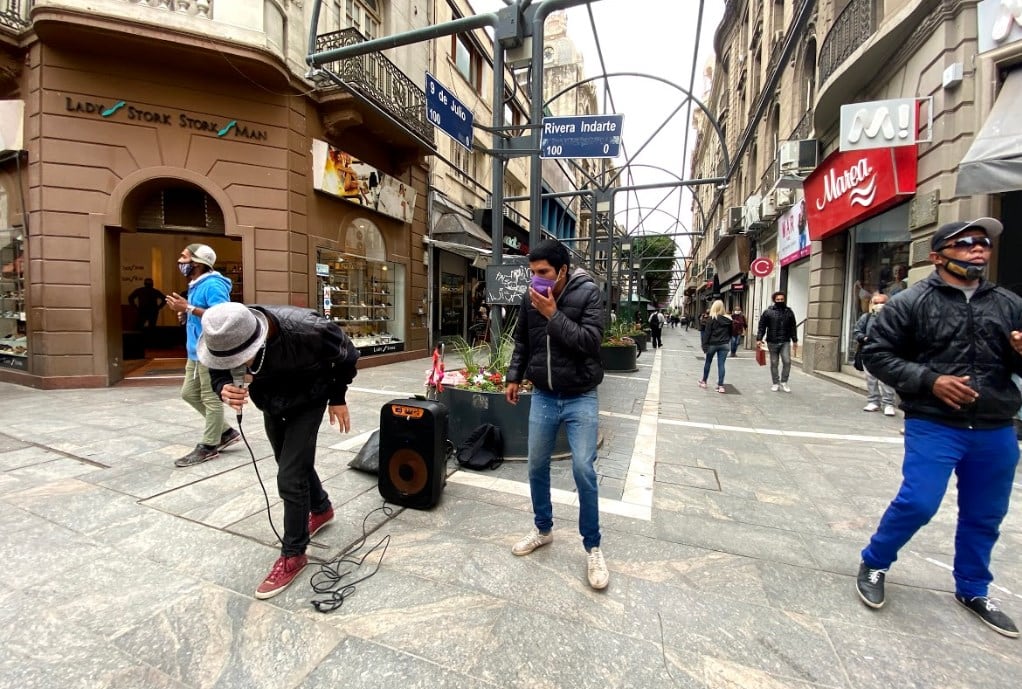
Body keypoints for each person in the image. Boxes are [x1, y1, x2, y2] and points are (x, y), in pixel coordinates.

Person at [856, 217, 1022, 638]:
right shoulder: (910, 302)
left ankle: (973, 588)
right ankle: (875, 561)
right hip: (935, 422)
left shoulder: (1008, 303)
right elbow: (876, 355)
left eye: (982, 243)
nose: (977, 249)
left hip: (995, 425)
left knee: (985, 515)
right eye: (965, 243)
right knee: (919, 502)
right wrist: (930, 380)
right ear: (937, 255)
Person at [201, 301, 359, 599]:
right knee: (289, 462)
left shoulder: (310, 330)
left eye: (241, 357)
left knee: (289, 476)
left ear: (258, 337)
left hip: (310, 397)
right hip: (271, 400)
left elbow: (348, 356)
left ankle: (294, 553)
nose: (239, 361)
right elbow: (215, 364)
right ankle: (321, 508)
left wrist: (338, 397)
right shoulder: (225, 330)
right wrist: (222, 385)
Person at [505, 239, 608, 591]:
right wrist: (514, 376)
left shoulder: (589, 294)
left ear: (562, 270)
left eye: (543, 272)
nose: (536, 279)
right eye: (532, 273)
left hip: (581, 396)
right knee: (536, 464)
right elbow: (522, 341)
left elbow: (590, 343)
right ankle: (543, 529)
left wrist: (553, 315)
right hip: (545, 396)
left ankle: (593, 547)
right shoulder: (528, 298)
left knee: (582, 468)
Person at [165, 244, 240, 467]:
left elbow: (223, 316)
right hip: (194, 352)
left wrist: (188, 308)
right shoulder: (196, 285)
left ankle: (209, 446)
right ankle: (226, 432)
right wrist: (186, 315)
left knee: (211, 398)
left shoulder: (213, 284)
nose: (180, 261)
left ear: (197, 263)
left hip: (209, 351)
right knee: (189, 393)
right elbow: (199, 314)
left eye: (184, 257)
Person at [853, 294, 896, 416]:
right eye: (876, 303)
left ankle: (888, 403)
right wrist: (864, 338)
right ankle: (873, 402)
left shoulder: (894, 318)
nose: (879, 305)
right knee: (871, 379)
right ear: (871, 304)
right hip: (869, 353)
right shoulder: (866, 318)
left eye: (882, 302)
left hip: (887, 353)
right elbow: (857, 331)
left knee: (886, 379)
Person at [755, 291, 798, 392]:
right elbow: (762, 326)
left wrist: (795, 340)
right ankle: (775, 383)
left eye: (782, 299)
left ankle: (784, 382)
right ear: (774, 300)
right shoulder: (768, 312)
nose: (780, 301)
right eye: (778, 299)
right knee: (774, 363)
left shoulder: (789, 312)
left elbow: (793, 327)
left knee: (787, 361)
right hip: (772, 341)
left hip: (785, 341)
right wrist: (759, 338)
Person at [699, 300, 732, 393]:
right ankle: (720, 386)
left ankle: (704, 381)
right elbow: (731, 333)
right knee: (721, 365)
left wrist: (704, 346)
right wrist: (727, 341)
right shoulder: (728, 319)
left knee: (708, 362)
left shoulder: (711, 319)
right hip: (724, 344)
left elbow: (707, 334)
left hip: (712, 344)